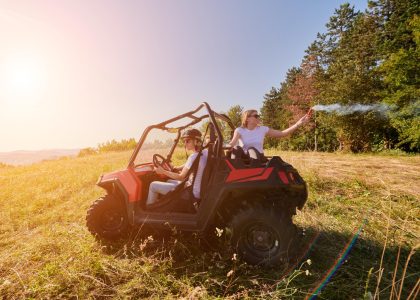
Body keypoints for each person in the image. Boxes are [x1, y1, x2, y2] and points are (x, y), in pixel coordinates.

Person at [146, 128, 208, 205]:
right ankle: (164, 204)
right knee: (168, 181)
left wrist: (163, 171)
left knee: (153, 185)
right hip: (197, 189)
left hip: (191, 192)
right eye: (184, 141)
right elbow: (190, 164)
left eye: (188, 141)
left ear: (196, 141)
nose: (185, 143)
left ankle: (150, 210)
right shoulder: (205, 152)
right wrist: (177, 168)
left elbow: (181, 177)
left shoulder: (193, 157)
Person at [227, 109, 312, 157]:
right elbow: (232, 143)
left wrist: (298, 124)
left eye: (258, 116)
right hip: (244, 159)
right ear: (247, 119)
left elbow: (282, 133)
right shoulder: (239, 130)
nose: (258, 117)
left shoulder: (263, 129)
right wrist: (228, 147)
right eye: (256, 116)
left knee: (252, 150)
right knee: (237, 148)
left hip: (259, 158)